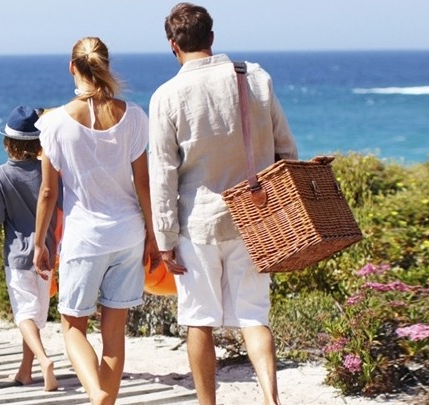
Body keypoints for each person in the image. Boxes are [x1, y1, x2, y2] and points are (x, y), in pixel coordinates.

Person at [146, 3, 299, 404]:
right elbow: (286, 149)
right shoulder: (256, 79)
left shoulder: (167, 96)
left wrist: (164, 238)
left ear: (172, 45)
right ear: (212, 38)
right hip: (255, 220)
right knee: (254, 315)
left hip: (198, 225)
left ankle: (207, 403)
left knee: (199, 320)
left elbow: (163, 174)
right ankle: (270, 399)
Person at [30, 37, 157, 404]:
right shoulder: (133, 115)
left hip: (85, 239)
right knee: (114, 335)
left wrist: (40, 243)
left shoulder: (53, 124)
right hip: (128, 234)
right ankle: (105, 398)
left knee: (73, 328)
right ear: (105, 64)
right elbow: (144, 183)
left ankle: (96, 392)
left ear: (72, 67)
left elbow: (48, 194)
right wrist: (152, 234)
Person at [0, 106, 59, 391]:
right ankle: (25, 371)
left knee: (24, 314)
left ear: (8, 143)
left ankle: (42, 360)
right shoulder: (50, 170)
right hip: (48, 251)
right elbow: (58, 204)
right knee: (37, 314)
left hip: (17, 254)